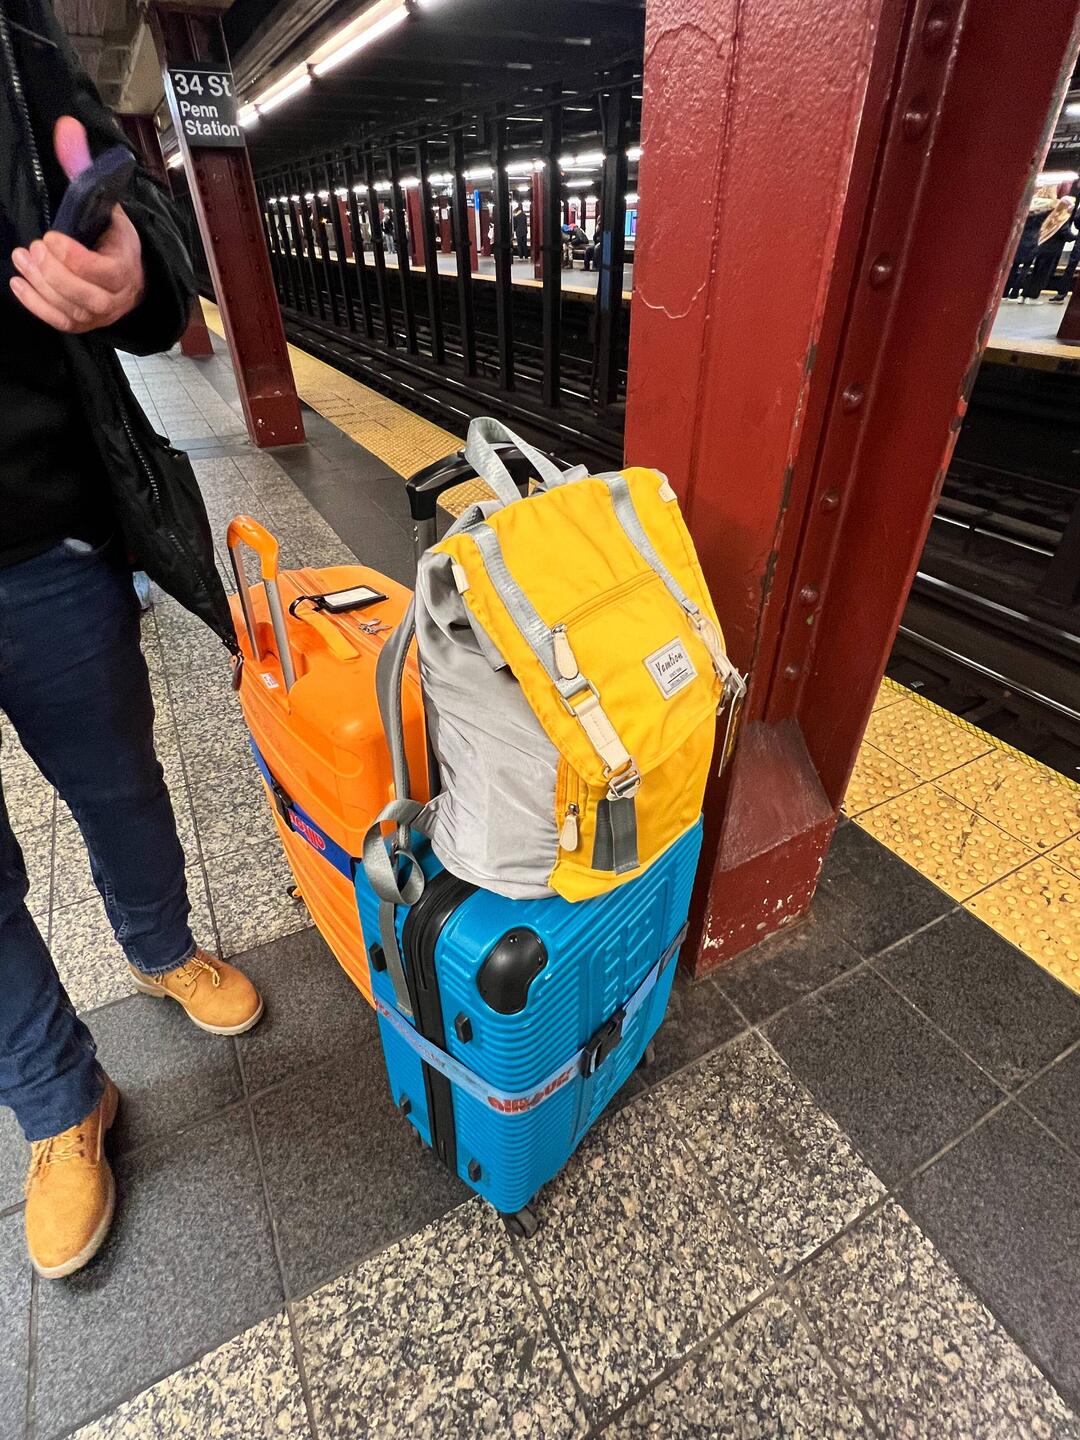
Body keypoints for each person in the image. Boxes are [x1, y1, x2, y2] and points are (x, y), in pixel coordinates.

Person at [1, 0, 262, 1281]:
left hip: (41, 529)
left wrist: (136, 275)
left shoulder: (18, 34)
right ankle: (61, 1101)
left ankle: (161, 950)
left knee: (121, 784)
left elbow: (142, 217)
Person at [1022, 196, 1076, 303]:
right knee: (1042, 274)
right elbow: (1065, 233)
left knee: (1035, 272)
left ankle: (1024, 295)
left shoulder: (1052, 215)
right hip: (1052, 251)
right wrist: (1074, 236)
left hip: (1042, 247)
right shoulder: (1062, 218)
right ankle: (1033, 297)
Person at [1003, 195, 1055, 300]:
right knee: (1025, 269)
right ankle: (1015, 292)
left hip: (1021, 241)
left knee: (1013, 268)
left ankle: (1005, 291)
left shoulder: (1026, 213)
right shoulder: (1042, 215)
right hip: (1033, 242)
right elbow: (1052, 206)